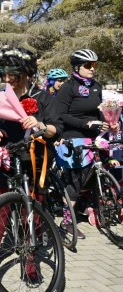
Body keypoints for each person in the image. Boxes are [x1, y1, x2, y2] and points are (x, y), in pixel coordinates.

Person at [0, 47, 62, 274]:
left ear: (26, 73)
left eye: (12, 75)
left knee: (32, 211)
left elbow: (57, 129)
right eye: (3, 75)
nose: (7, 80)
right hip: (4, 158)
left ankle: (30, 258)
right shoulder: (0, 96)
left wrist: (40, 125)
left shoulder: (42, 97)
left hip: (33, 160)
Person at [56, 49, 109, 236]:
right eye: (88, 65)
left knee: (95, 174)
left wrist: (107, 122)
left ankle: (92, 209)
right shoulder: (68, 87)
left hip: (93, 135)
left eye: (94, 65)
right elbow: (61, 115)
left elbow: (99, 111)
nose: (92, 68)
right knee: (75, 181)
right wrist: (84, 123)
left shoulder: (97, 86)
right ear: (78, 67)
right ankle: (67, 222)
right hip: (72, 134)